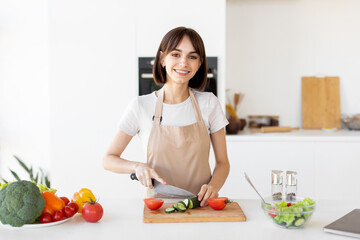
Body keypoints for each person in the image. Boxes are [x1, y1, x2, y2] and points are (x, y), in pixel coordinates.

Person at [102, 26, 230, 206]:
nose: (184, 62)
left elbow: (223, 163)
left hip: (201, 206)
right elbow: (109, 159)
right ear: (162, 59)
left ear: (199, 63)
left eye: (192, 57)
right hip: (158, 207)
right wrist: (137, 166)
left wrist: (213, 187)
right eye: (176, 54)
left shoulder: (209, 103)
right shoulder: (141, 106)